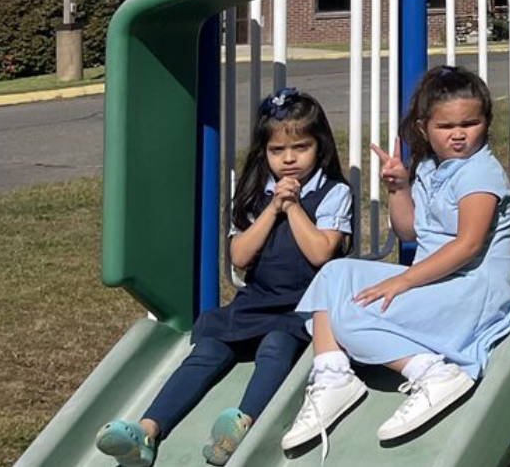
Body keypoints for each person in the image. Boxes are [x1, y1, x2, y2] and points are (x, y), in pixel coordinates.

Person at [94, 88, 350, 467]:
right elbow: (240, 256)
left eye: (301, 147)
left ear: (320, 146)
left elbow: (320, 252)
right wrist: (272, 208)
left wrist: (293, 207)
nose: (289, 159)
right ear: (263, 153)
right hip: (255, 301)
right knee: (209, 350)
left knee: (276, 346)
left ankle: (241, 424)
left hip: (304, 307)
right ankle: (146, 431)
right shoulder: (255, 194)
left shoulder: (333, 193)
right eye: (277, 151)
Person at [280, 66, 510, 450]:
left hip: (474, 293)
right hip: (438, 283)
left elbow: (468, 245)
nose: (459, 134)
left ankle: (433, 373)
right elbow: (409, 230)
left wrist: (403, 280)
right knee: (333, 276)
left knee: (353, 315)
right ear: (424, 128)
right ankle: (333, 375)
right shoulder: (430, 167)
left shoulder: (479, 173)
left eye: (470, 123)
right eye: (446, 126)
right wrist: (399, 187)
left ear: (486, 122)